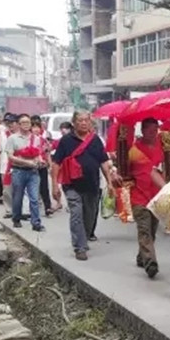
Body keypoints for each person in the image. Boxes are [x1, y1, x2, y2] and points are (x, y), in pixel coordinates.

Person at [52, 111, 115, 261]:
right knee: (76, 214)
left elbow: (104, 162)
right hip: (71, 185)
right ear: (74, 122)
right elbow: (56, 163)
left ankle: (84, 236)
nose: (83, 123)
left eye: (86, 120)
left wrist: (110, 183)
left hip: (92, 185)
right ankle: (79, 247)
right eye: (80, 120)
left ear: (90, 122)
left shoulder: (96, 141)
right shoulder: (66, 141)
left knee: (90, 215)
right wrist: (55, 184)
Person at [128, 118, 165, 278]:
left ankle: (141, 256)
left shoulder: (163, 147)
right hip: (139, 196)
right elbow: (124, 171)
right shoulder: (133, 150)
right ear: (142, 130)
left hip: (157, 196)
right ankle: (151, 262)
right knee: (144, 229)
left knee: (152, 230)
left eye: (155, 129)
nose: (153, 132)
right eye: (149, 129)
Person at [5, 114, 45, 232]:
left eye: (28, 122)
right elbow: (10, 156)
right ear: (18, 124)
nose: (26, 125)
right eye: (23, 123)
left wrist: (40, 161)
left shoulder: (35, 138)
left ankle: (36, 222)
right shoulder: (13, 138)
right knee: (18, 196)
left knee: (34, 197)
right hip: (18, 171)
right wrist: (26, 162)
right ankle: (16, 218)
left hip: (33, 172)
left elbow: (37, 153)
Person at [31, 120, 54, 216]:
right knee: (32, 188)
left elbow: (47, 153)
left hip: (42, 166)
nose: (36, 129)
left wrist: (50, 164)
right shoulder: (28, 140)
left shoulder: (43, 140)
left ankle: (47, 207)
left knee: (44, 187)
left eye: (38, 127)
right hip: (31, 166)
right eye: (34, 127)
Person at [0, 113, 19, 219]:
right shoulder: (3, 134)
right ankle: (9, 210)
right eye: (8, 123)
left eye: (12, 122)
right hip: (4, 165)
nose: (10, 125)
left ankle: (18, 210)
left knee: (18, 189)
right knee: (6, 189)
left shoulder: (21, 135)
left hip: (17, 164)